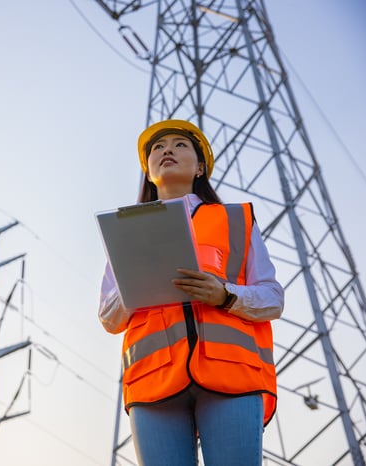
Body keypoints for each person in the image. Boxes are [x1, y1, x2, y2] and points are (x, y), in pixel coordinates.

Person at [98, 119, 284, 466]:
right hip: (153, 382)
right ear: (149, 171)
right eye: (157, 147)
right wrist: (137, 276)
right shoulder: (126, 231)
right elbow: (109, 318)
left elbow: (272, 298)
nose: (166, 150)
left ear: (200, 167)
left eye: (179, 144)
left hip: (232, 376)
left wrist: (225, 295)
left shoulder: (235, 219)